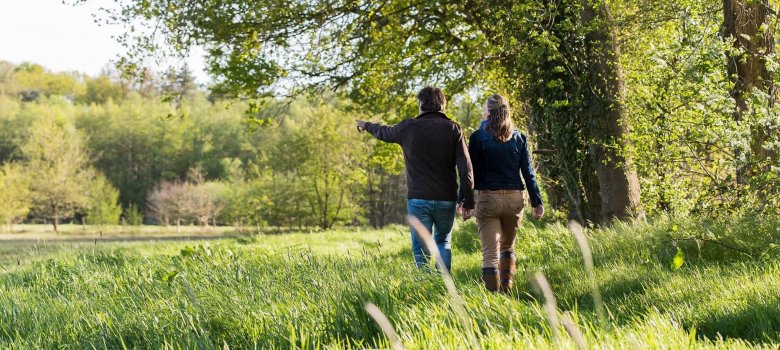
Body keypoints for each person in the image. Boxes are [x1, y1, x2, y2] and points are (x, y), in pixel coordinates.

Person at [356, 87, 474, 272]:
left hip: (418, 199)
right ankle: (444, 285)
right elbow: (465, 167)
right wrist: (468, 200)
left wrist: (365, 124)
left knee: (421, 249)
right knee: (443, 241)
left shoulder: (408, 127)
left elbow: (384, 132)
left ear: (421, 105)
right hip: (446, 199)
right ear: (442, 105)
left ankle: (425, 287)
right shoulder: (453, 129)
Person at [462, 94, 544, 293]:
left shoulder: (477, 137)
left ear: (489, 112)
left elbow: (469, 173)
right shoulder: (519, 136)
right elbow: (528, 172)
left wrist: (465, 201)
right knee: (507, 248)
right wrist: (537, 202)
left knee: (490, 254)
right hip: (514, 200)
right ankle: (506, 293)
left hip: (488, 199)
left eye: (484, 109)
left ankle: (493, 300)